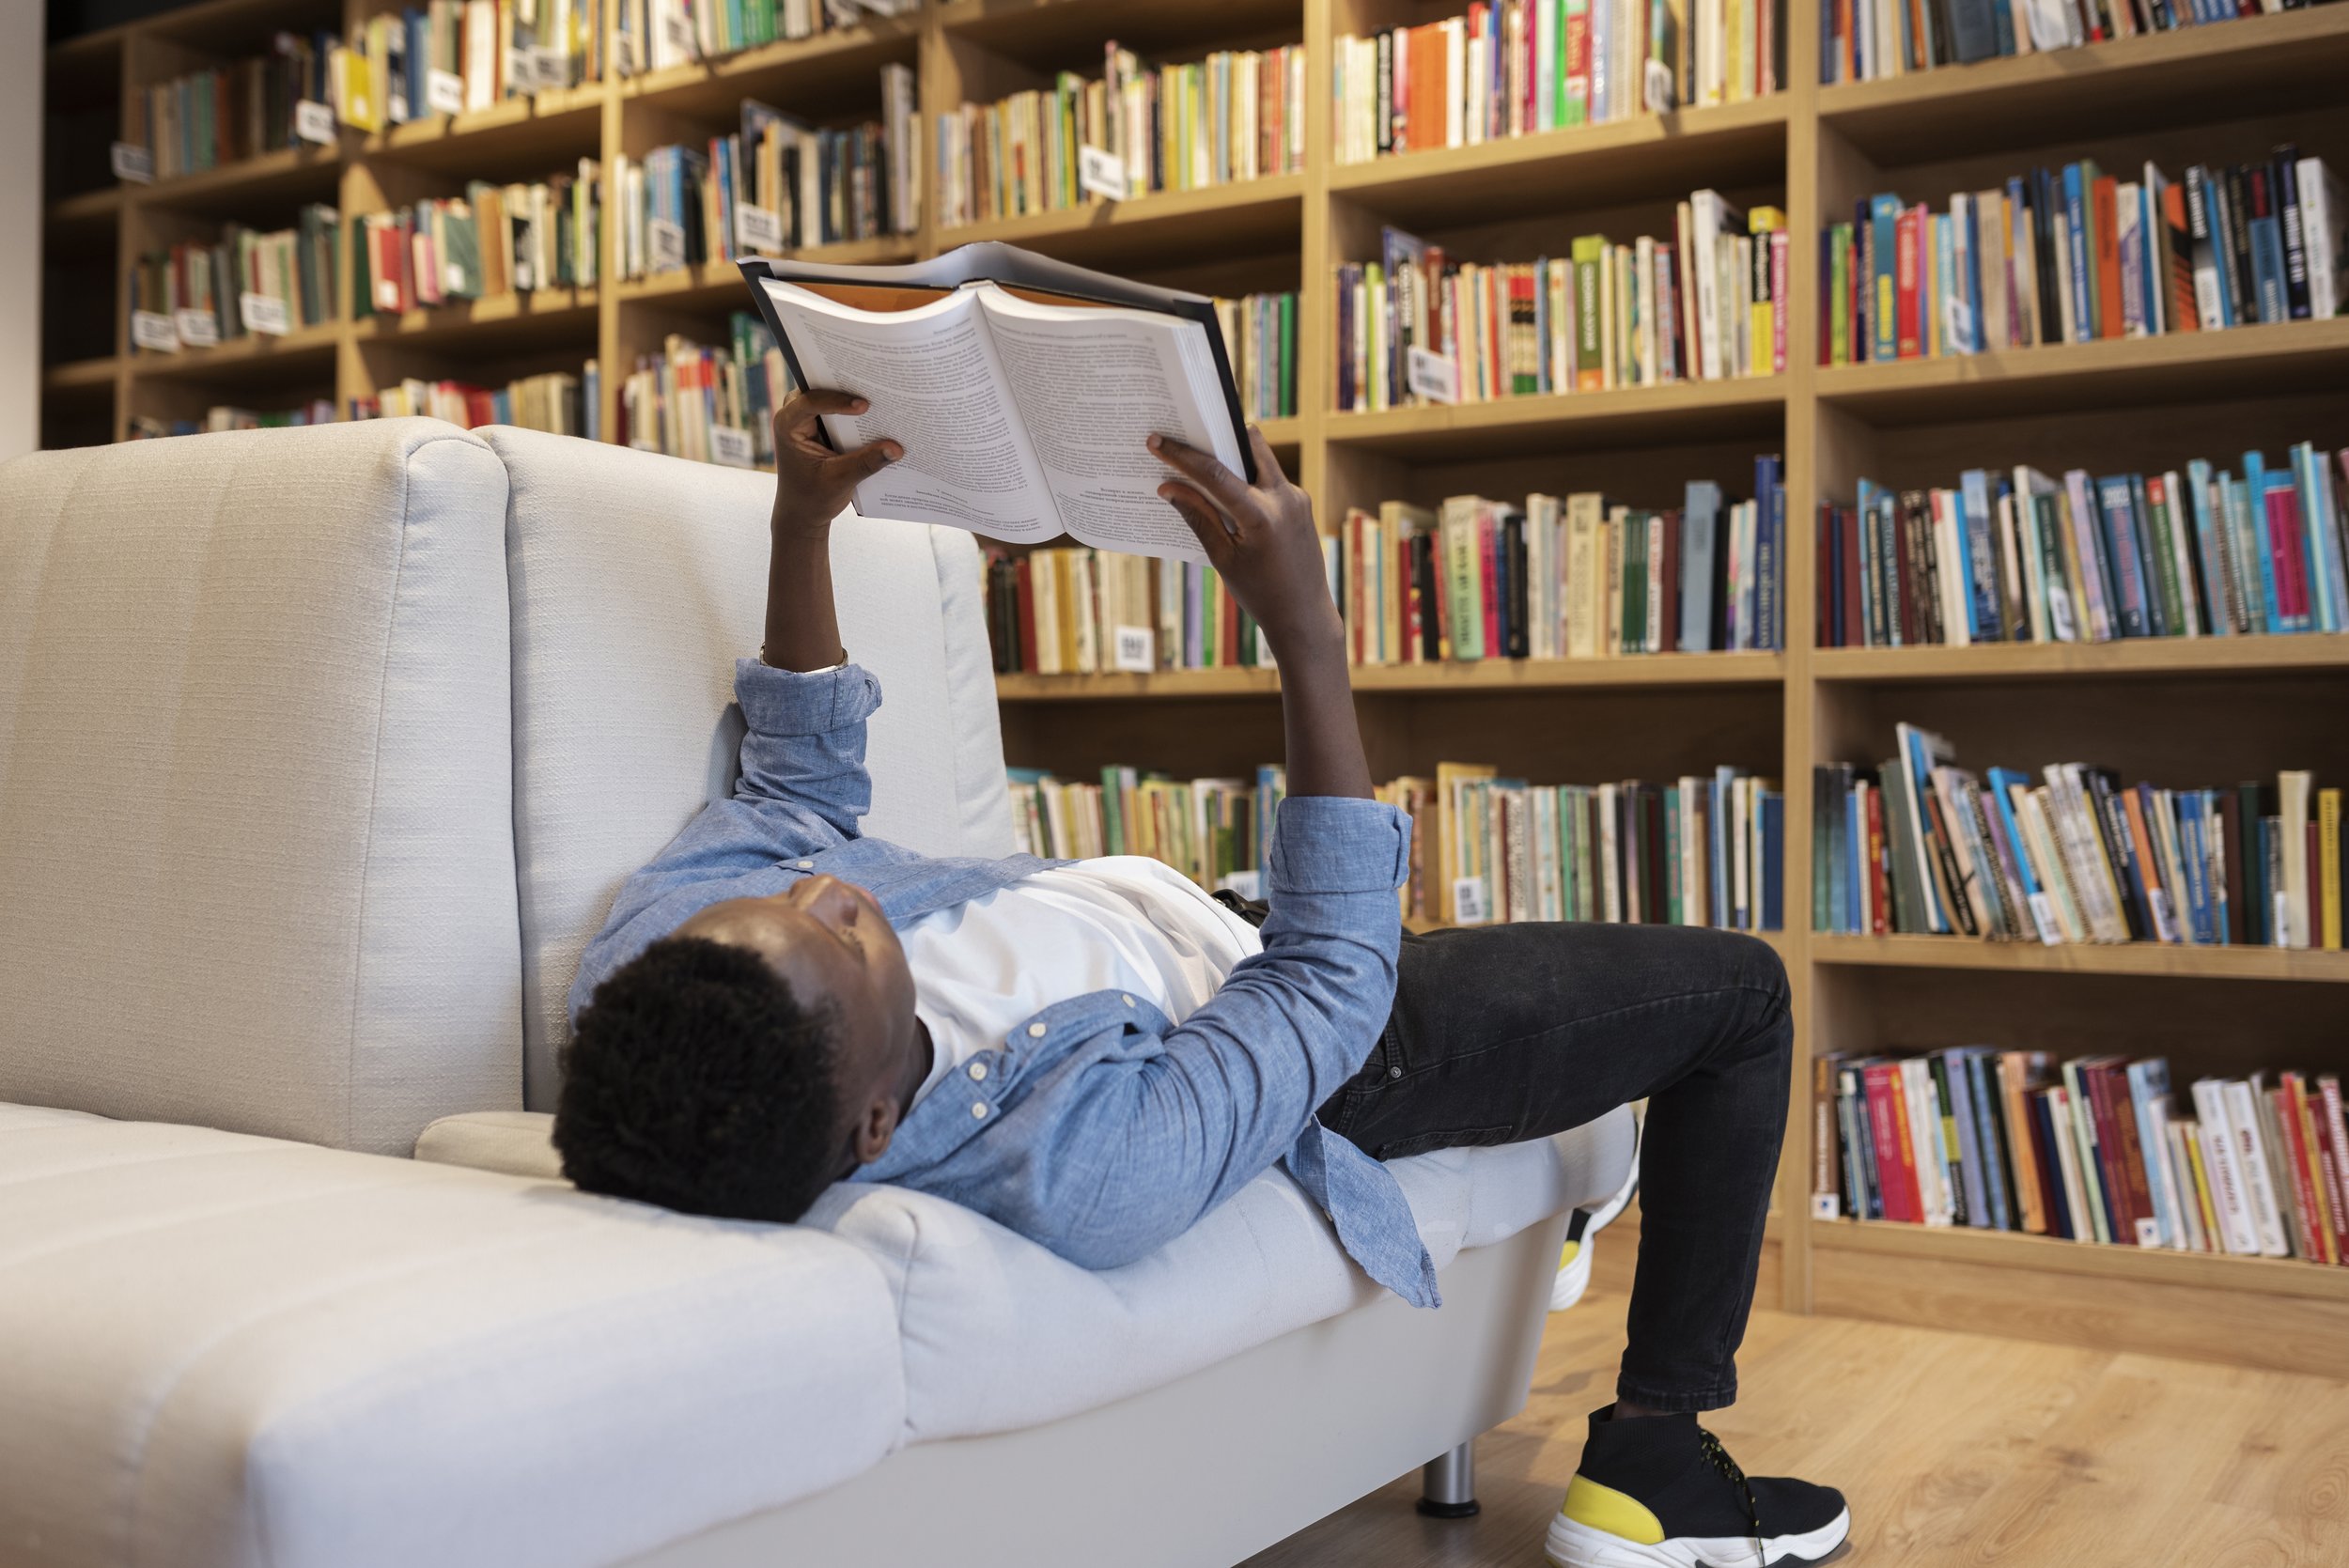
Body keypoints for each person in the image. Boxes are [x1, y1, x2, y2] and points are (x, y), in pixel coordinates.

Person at [553, 388, 1851, 1568]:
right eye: (842, 936)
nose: (822, 887)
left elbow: (792, 785)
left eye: (777, 899)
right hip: (1332, 1035)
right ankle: (1656, 1459)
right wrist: (1303, 622)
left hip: (1177, 910)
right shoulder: (1083, 1161)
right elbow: (1332, 975)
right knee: (1741, 998)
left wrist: (802, 519)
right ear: (879, 1123)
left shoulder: (656, 967)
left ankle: (1585, 1192)